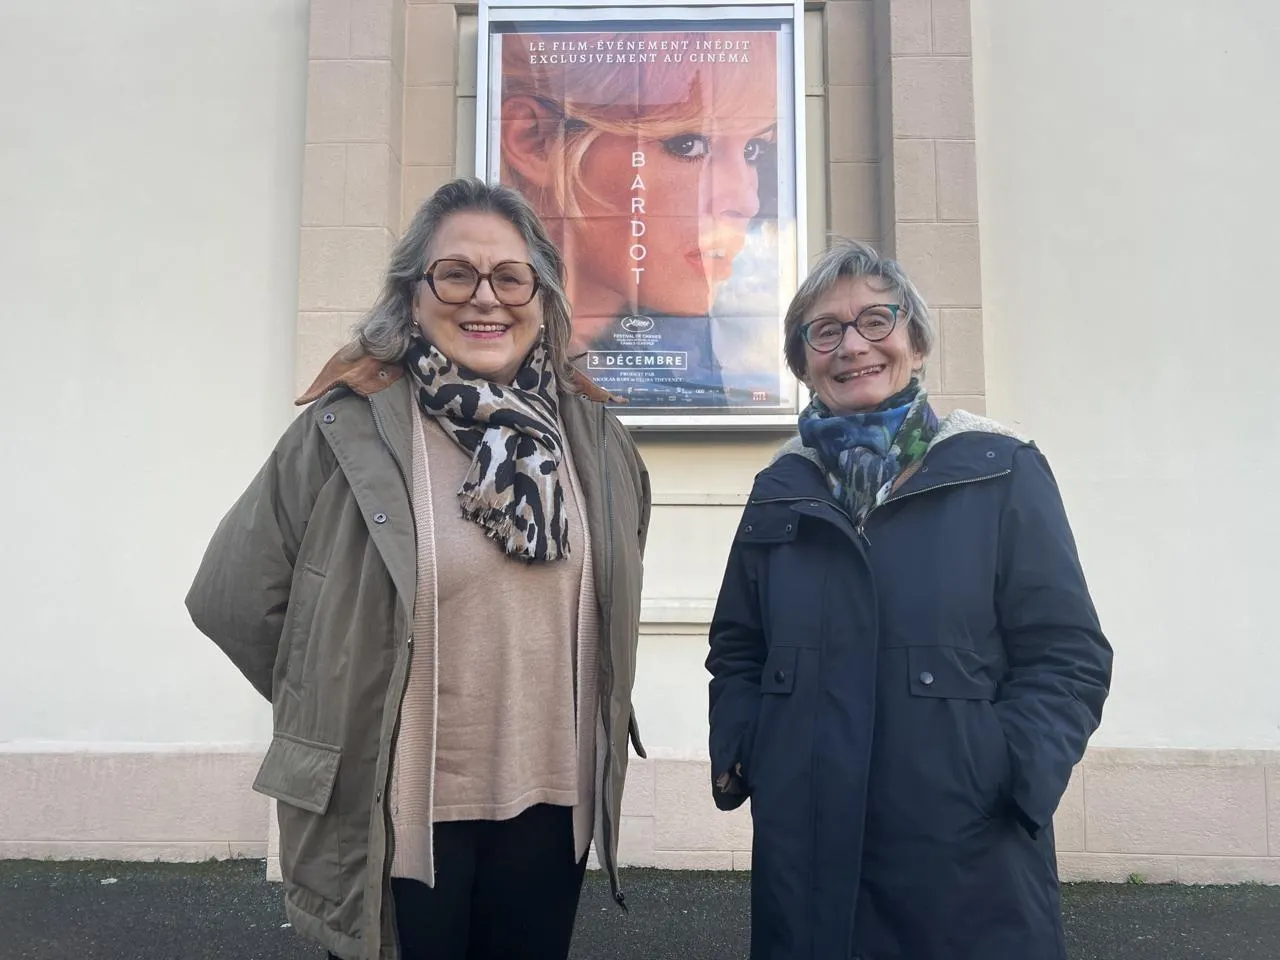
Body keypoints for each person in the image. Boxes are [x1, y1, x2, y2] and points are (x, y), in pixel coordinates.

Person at [186, 177, 651, 960]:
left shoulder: (594, 437)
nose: (485, 298)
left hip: (555, 808)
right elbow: (231, 598)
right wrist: (342, 704)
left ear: (542, 299)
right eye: (455, 273)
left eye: (511, 277)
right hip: (395, 808)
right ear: (411, 293)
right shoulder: (346, 429)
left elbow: (617, 576)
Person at [706, 241, 1112, 959]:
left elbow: (1067, 653)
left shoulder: (1001, 472)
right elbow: (739, 646)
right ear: (803, 363)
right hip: (806, 848)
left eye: (875, 320)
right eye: (824, 331)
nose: (851, 346)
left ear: (916, 342)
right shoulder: (779, 490)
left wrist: (1009, 768)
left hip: (966, 853)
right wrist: (747, 749)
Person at [500, 29, 781, 405]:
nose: (747, 200)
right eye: (688, 145)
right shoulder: (474, 363)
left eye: (753, 149)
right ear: (536, 141)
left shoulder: (725, 368)